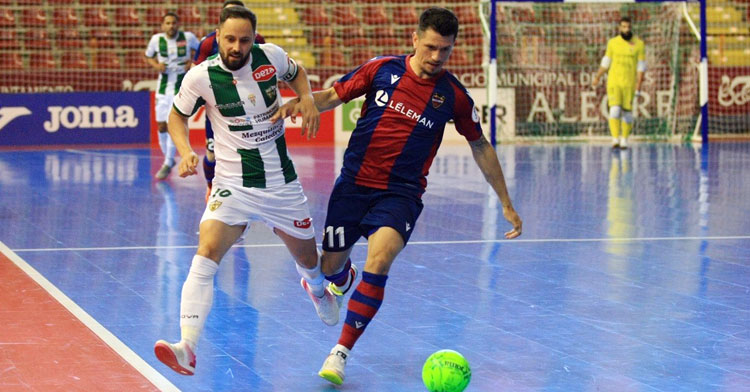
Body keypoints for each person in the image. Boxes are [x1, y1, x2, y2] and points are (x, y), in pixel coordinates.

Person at [273, 7, 522, 386]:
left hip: (401, 194)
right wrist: (305, 102)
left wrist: (505, 201)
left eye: (446, 50)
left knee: (382, 258)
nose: (437, 57)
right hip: (353, 185)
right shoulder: (381, 69)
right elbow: (334, 95)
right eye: (431, 47)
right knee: (330, 269)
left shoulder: (453, 95)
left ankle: (340, 352)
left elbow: (480, 144)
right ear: (414, 39)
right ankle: (342, 278)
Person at [153, 6, 338, 376]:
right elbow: (176, 116)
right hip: (232, 185)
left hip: (280, 184)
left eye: (245, 40)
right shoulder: (200, 77)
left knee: (310, 263)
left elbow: (297, 72)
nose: (237, 47)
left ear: (255, 39)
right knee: (205, 253)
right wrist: (186, 151)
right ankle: (187, 346)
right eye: (230, 39)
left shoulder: (269, 58)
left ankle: (316, 288)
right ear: (217, 36)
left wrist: (304, 98)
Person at [192, 0, 267, 201]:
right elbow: (195, 73)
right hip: (219, 106)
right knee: (212, 152)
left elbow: (265, 68)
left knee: (252, 149)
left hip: (249, 105)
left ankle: (250, 193)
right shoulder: (208, 42)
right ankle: (210, 186)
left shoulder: (257, 39)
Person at [145, 12, 200, 179]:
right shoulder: (156, 40)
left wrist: (191, 63)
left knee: (172, 124)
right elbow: (148, 57)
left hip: (181, 89)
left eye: (173, 23)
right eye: (167, 23)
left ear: (178, 24)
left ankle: (168, 162)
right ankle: (168, 159)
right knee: (161, 126)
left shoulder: (188, 37)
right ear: (163, 26)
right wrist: (156, 65)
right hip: (163, 89)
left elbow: (200, 53)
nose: (171, 26)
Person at [591, 16, 646, 149]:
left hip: (629, 83)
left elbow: (641, 66)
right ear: (619, 28)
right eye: (624, 27)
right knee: (614, 110)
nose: (626, 29)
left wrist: (639, 84)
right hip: (614, 82)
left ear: (631, 27)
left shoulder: (639, 44)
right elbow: (606, 62)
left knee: (627, 112)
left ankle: (624, 140)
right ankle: (615, 139)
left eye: (628, 27)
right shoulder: (613, 43)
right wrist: (598, 76)